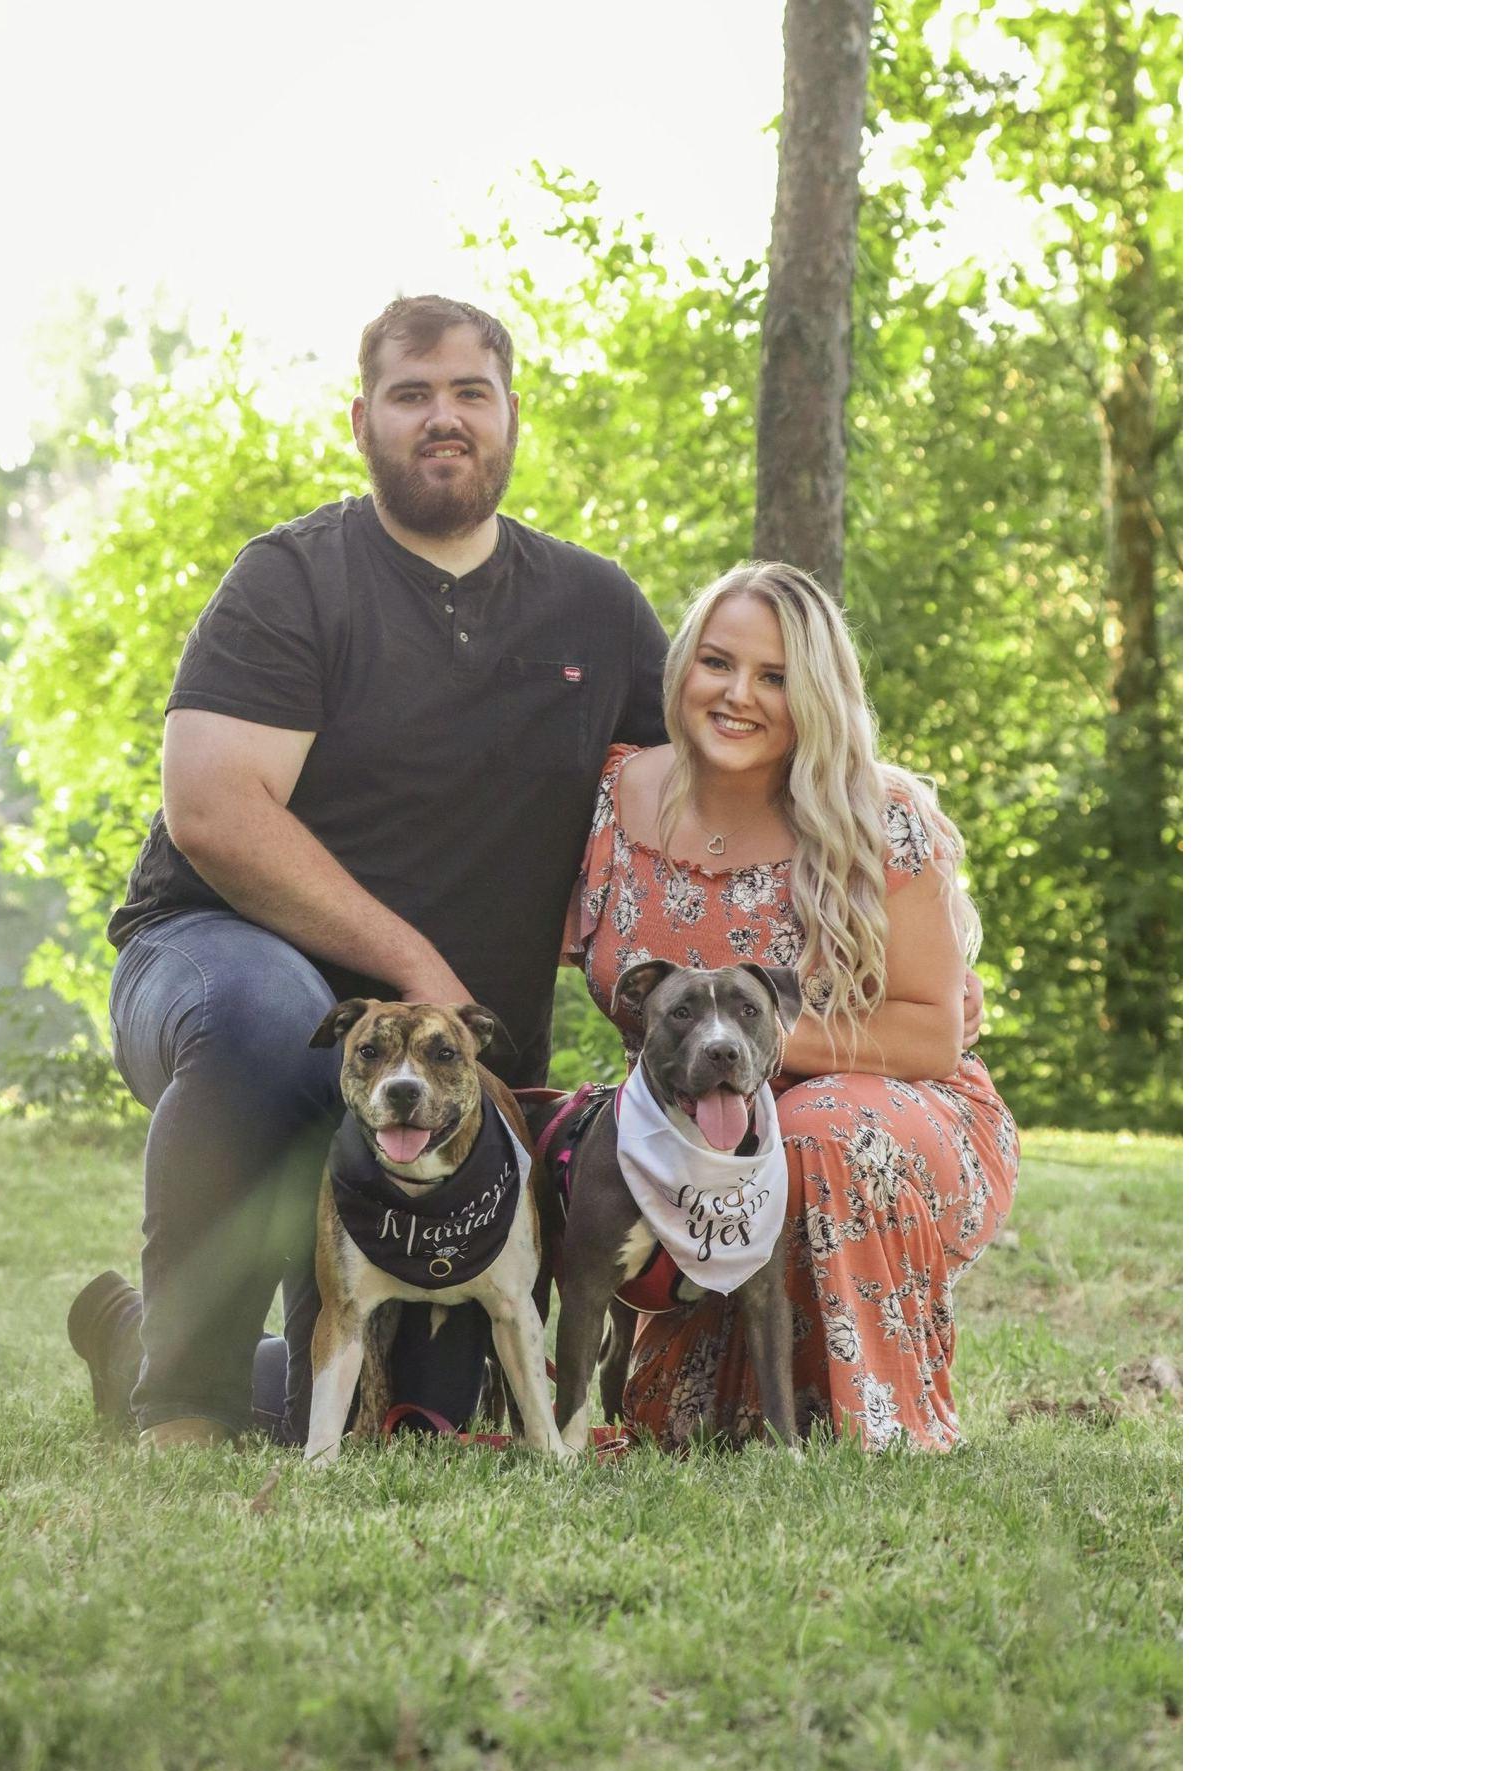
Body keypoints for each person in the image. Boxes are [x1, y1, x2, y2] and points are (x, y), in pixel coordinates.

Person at [68, 296, 672, 1448]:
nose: (441, 418)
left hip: (443, 1079)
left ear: (509, 418)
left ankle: (134, 1329)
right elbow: (210, 808)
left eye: (468, 393)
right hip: (206, 967)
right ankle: (181, 1399)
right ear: (361, 420)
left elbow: (698, 790)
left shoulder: (594, 607)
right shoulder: (292, 581)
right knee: (272, 1018)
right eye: (410, 393)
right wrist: (411, 965)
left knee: (407, 1422)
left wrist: (881, 884)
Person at [566, 559, 1018, 1450]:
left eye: (775, 676)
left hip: (890, 1115)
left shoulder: (875, 814)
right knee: (676, 1424)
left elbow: (931, 1033)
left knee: (809, 1127)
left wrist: (743, 1047)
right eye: (717, 662)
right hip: (690, 1126)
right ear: (680, 668)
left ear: (816, 691)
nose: (738, 695)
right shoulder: (614, 796)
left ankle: (867, 1421)